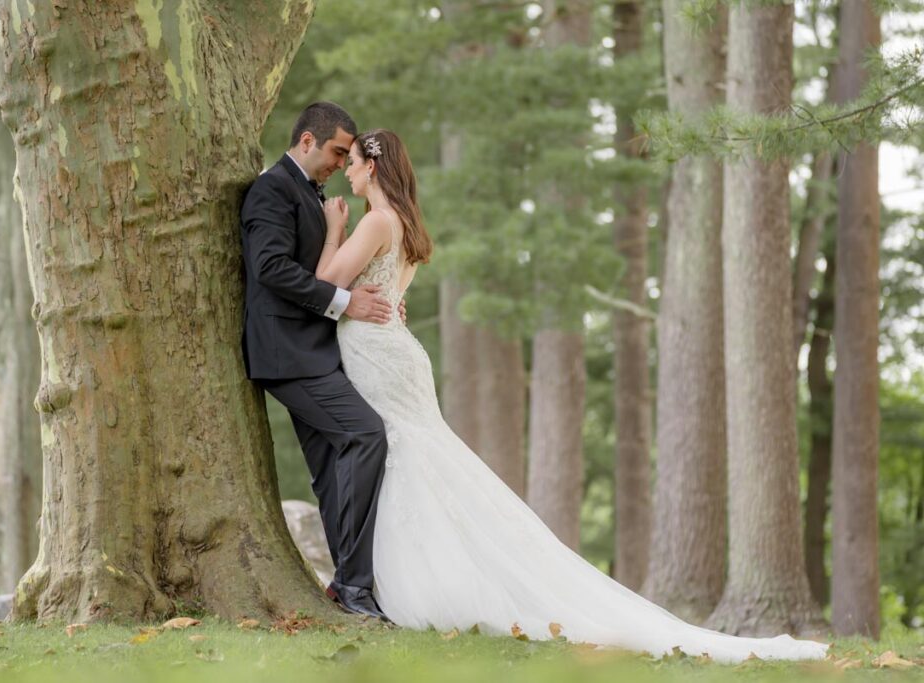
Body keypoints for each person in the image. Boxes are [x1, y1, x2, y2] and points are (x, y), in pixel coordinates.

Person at [313, 127, 831, 663]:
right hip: (396, 352)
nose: (346, 170)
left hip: (379, 355)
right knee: (410, 457)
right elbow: (392, 298)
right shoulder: (407, 225)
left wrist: (331, 230)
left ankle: (401, 581)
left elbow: (326, 279)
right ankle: (388, 576)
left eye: (350, 161)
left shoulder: (374, 220)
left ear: (371, 167)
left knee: (404, 457)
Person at [240, 102, 393, 621]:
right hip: (286, 354)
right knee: (366, 434)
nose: (339, 162)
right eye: (336, 152)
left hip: (314, 351)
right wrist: (346, 303)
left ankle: (349, 588)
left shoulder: (313, 193)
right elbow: (271, 268)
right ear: (307, 141)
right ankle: (354, 584)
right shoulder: (271, 189)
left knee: (333, 470)